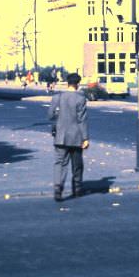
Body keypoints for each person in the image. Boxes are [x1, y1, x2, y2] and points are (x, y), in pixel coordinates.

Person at [47, 73, 90, 202]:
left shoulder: (57, 97)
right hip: (76, 136)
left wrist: (59, 117)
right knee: (77, 163)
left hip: (60, 136)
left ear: (67, 83)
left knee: (60, 162)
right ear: (77, 84)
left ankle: (58, 188)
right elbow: (82, 119)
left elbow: (50, 115)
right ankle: (77, 188)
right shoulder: (81, 99)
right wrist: (85, 138)